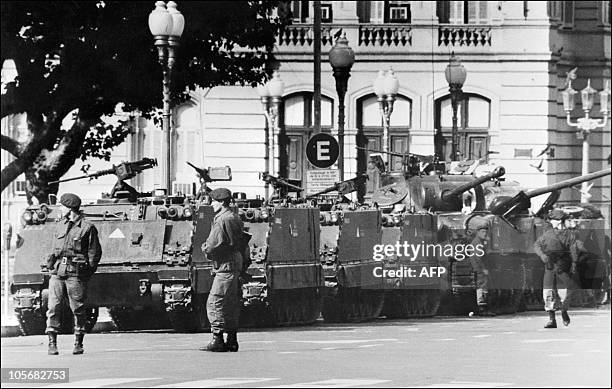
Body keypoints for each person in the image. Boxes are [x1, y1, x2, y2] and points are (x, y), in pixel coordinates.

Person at [45, 193, 101, 355]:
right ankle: (52, 343)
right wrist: (50, 266)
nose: (60, 209)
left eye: (62, 206)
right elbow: (52, 248)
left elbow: (94, 254)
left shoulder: (87, 227)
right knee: (53, 307)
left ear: (69, 209)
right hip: (57, 271)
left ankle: (78, 342)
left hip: (75, 273)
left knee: (78, 308)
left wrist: (85, 273)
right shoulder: (59, 225)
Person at [200, 188, 248, 352]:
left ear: (221, 202)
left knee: (215, 302)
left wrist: (205, 248)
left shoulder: (222, 219)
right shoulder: (234, 217)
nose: (211, 204)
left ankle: (218, 339)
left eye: (213, 201)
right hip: (235, 262)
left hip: (225, 264)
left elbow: (213, 244)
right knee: (230, 302)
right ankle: (232, 339)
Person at [534, 208, 584, 328]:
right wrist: (543, 256)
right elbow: (537, 245)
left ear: (559, 221)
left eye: (554, 219)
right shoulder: (547, 233)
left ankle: (564, 311)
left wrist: (574, 264)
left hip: (563, 266)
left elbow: (573, 251)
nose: (551, 221)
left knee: (566, 291)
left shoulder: (569, 235)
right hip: (550, 265)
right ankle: (552, 319)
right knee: (548, 292)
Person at [466, 216, 495, 317]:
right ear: (478, 232)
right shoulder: (477, 243)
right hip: (478, 269)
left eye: (485, 232)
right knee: (482, 288)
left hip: (478, 269)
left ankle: (484, 307)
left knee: (483, 287)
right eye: (482, 232)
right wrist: (484, 269)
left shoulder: (479, 242)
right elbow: (478, 258)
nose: (485, 233)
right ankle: (482, 308)